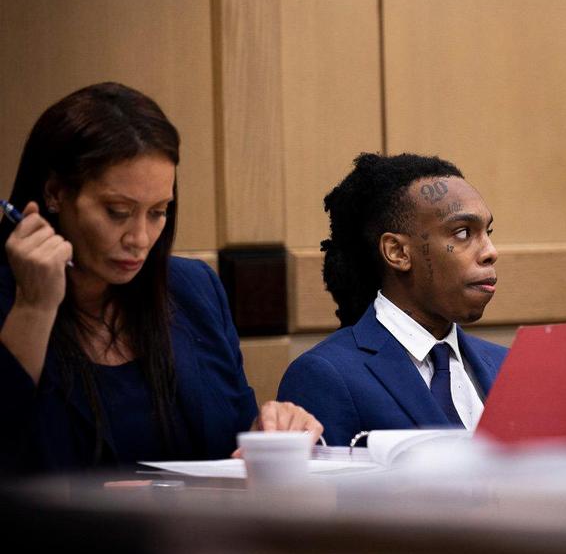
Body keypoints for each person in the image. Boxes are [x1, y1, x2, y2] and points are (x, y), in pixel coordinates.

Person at [0, 82, 321, 473]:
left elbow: (232, 445)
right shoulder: (12, 302)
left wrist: (271, 433)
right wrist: (34, 307)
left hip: (198, 531)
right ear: (55, 193)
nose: (140, 239)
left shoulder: (193, 289)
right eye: (118, 211)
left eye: (158, 212)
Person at [277, 153, 507, 446]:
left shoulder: (506, 364)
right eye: (463, 233)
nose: (491, 251)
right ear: (398, 252)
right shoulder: (325, 376)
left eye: (487, 232)